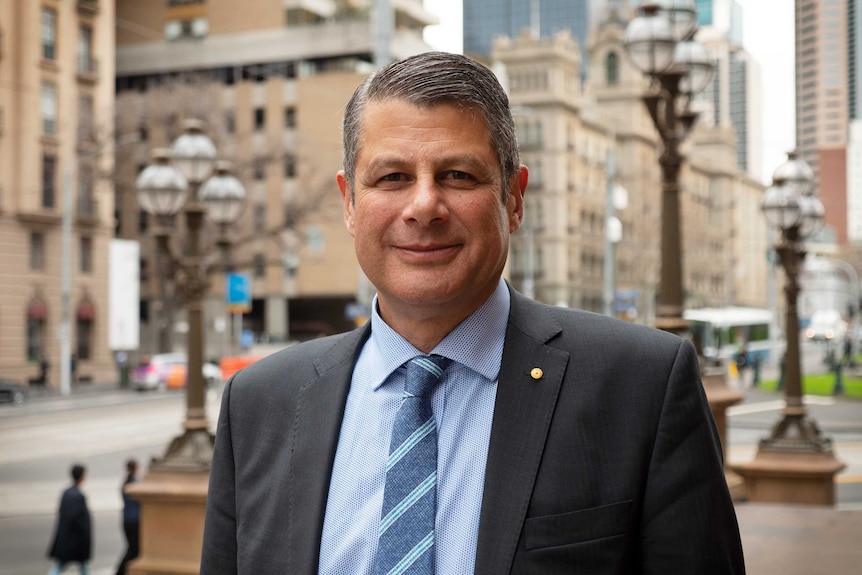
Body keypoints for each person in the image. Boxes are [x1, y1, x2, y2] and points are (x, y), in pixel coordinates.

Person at [201, 52, 745, 574]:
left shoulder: (642, 386)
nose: (423, 207)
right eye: (392, 177)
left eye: (458, 175)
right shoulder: (259, 404)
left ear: (513, 198)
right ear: (349, 202)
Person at [47, 463, 91, 575]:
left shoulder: (66, 493)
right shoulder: (78, 496)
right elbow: (79, 519)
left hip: (66, 539)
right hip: (75, 540)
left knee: (65, 564)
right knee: (79, 565)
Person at [114, 459, 140, 575]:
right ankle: (121, 571)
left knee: (131, 547)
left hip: (126, 520)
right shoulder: (134, 483)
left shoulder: (125, 482)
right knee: (134, 549)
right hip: (135, 521)